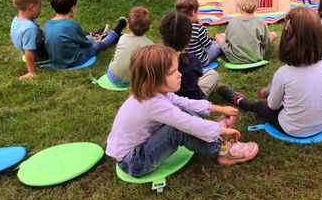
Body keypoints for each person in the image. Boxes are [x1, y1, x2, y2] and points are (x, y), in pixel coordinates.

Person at [106, 45, 259, 174]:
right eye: (172, 72)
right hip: (134, 162)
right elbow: (185, 123)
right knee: (177, 129)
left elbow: (184, 102)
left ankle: (213, 132)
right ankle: (223, 150)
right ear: (154, 79)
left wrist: (218, 109)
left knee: (181, 110)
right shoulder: (153, 103)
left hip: (138, 150)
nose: (180, 75)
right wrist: (220, 131)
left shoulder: (152, 92)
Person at [216, 6, 322, 138]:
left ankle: (239, 100)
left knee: (260, 106)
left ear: (287, 39)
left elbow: (273, 105)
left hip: (292, 128)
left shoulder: (284, 73)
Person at [44, 0, 127, 69]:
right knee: (98, 44)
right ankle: (116, 31)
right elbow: (87, 44)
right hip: (73, 61)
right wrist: (90, 39)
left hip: (56, 61)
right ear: (73, 8)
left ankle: (102, 34)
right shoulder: (72, 26)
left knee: (80, 34)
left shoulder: (47, 24)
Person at [160, 12, 219, 100]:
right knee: (213, 73)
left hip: (169, 101)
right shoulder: (193, 60)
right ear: (189, 38)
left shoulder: (156, 60)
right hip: (194, 102)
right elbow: (195, 83)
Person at [215, 0, 276, 64]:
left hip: (234, 58)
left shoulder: (233, 21)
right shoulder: (261, 22)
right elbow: (266, 43)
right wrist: (272, 36)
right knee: (273, 34)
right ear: (258, 3)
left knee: (218, 36)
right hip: (256, 57)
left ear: (238, 3)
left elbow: (227, 41)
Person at [107, 6, 153, 87]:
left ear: (128, 26)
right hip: (132, 82)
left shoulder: (122, 37)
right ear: (149, 28)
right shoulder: (150, 45)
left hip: (112, 77)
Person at [10, 0, 49, 80]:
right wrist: (31, 72)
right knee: (65, 39)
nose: (40, 9)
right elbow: (28, 51)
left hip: (38, 44)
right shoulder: (29, 29)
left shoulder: (18, 19)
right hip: (39, 56)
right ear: (31, 7)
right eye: (40, 6)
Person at [175, 0, 222, 67]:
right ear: (193, 12)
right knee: (218, 44)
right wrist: (202, 27)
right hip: (200, 61)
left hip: (184, 61)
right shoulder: (198, 28)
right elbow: (208, 45)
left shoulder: (175, 26)